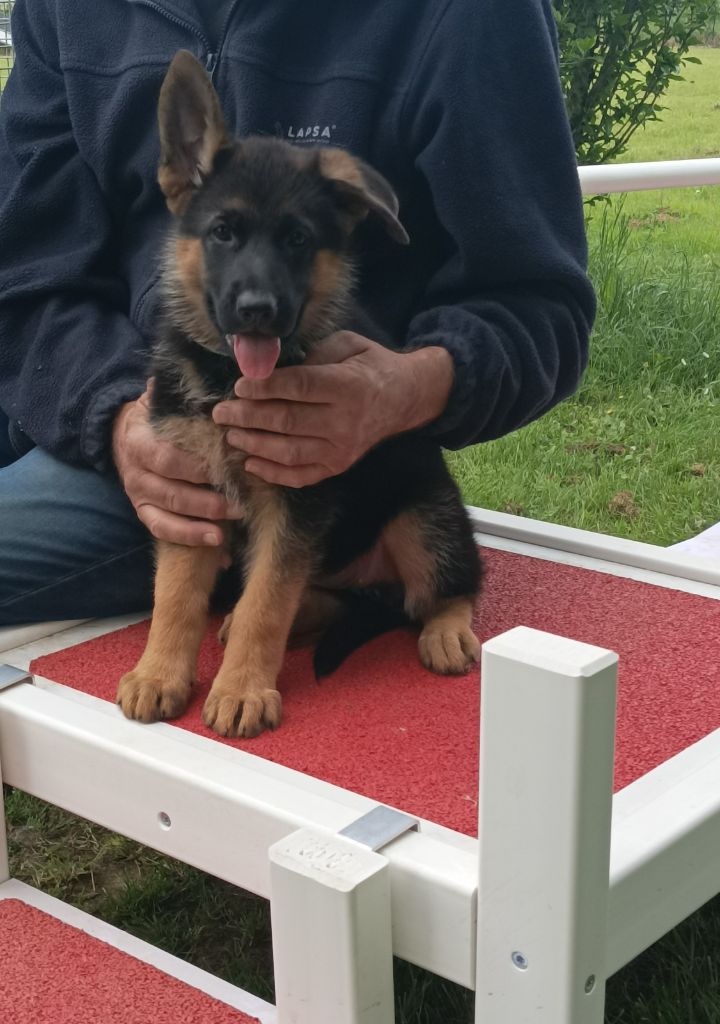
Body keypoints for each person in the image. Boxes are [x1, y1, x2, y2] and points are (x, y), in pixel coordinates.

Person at [0, 0, 595, 625]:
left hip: (281, 481)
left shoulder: (472, 16)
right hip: (96, 399)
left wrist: (405, 388)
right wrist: (114, 413)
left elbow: (540, 304)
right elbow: (23, 267)